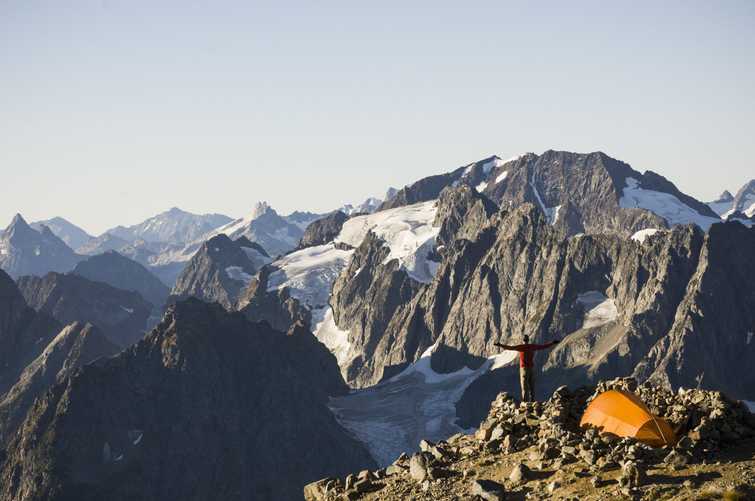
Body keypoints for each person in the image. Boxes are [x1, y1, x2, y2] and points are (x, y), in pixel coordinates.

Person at [494, 335, 560, 402]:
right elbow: (543, 346)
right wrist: (552, 343)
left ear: (523, 340)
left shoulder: (521, 347)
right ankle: (532, 401)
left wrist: (500, 345)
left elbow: (510, 348)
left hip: (524, 369)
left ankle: (525, 403)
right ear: (528, 340)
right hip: (531, 369)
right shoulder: (532, 346)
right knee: (531, 386)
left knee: (524, 387)